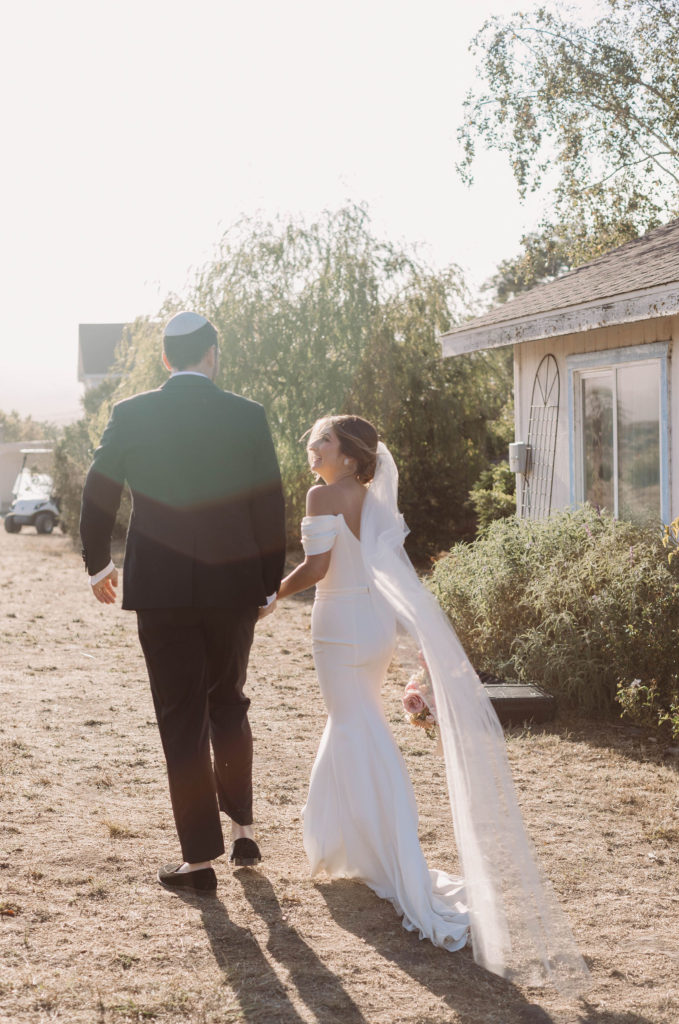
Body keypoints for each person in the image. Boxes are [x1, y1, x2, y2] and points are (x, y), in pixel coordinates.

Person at [275, 414, 590, 994]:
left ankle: (395, 859)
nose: (310, 446)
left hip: (339, 622)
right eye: (312, 438)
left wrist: (271, 593)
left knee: (354, 727)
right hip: (372, 627)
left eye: (322, 439)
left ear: (348, 456)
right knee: (352, 723)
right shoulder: (372, 499)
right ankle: (347, 844)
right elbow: (385, 569)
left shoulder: (323, 494)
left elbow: (318, 568)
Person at [79, 311, 286, 893]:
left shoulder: (132, 413)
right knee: (230, 702)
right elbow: (269, 501)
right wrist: (268, 581)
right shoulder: (247, 415)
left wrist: (99, 561)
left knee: (181, 717)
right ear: (212, 355)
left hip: (163, 590)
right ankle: (244, 829)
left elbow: (99, 492)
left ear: (165, 359)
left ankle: (199, 863)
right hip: (234, 588)